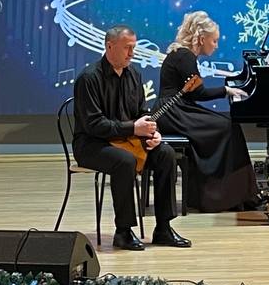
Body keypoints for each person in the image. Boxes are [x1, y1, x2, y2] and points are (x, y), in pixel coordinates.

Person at [72, 25, 191, 251]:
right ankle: (123, 231)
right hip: (92, 144)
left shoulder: (134, 74)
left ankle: (163, 228)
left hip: (127, 141)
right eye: (127, 48)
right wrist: (134, 128)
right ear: (110, 46)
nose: (132, 53)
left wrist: (152, 131)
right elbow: (94, 125)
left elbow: (141, 113)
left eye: (134, 47)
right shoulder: (88, 78)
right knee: (124, 161)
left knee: (165, 153)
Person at [157, 11, 260, 212]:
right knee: (227, 126)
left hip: (176, 109)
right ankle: (225, 195)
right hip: (173, 112)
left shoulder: (184, 55)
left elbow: (193, 93)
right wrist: (226, 90)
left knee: (227, 123)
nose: (216, 45)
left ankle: (235, 193)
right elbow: (198, 93)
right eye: (214, 41)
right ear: (202, 38)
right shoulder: (185, 56)